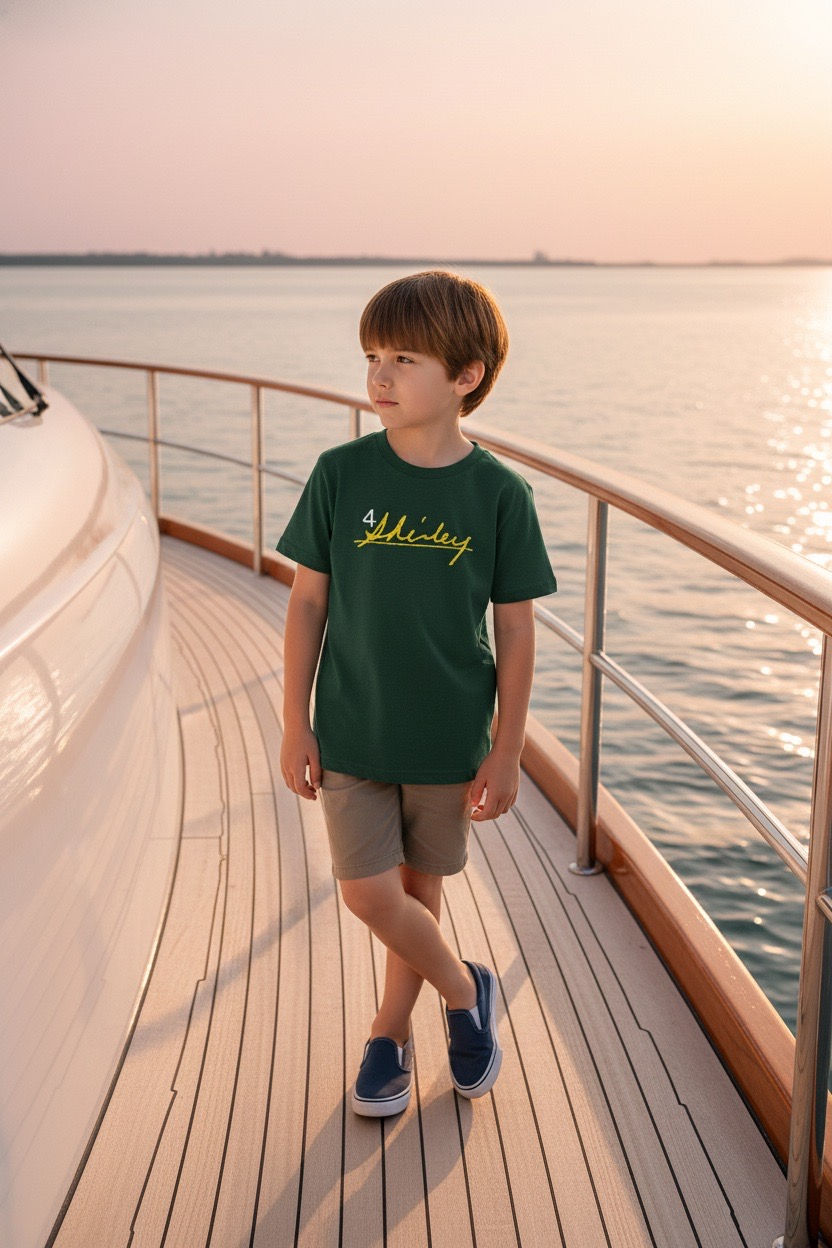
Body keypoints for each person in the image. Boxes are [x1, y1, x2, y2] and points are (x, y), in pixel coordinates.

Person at [276, 270, 557, 1118]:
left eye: (404, 357)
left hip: (448, 733)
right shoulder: (340, 474)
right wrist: (295, 722)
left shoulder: (500, 495)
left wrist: (507, 749)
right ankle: (466, 990)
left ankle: (388, 1035)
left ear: (466, 375)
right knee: (370, 893)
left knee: (419, 893)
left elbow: (513, 629)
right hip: (353, 726)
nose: (380, 377)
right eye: (372, 356)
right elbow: (308, 602)